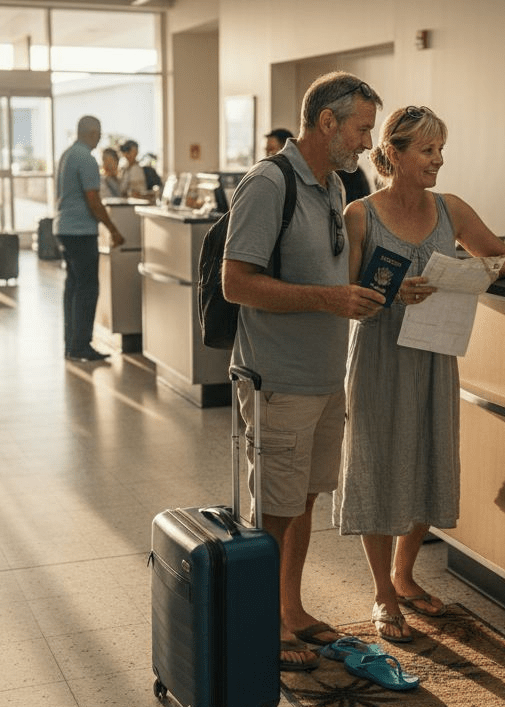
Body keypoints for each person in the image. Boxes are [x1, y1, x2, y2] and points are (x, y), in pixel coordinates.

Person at [334, 106, 505, 643]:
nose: (439, 161)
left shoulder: (451, 210)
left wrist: (463, 272)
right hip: (380, 357)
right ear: (394, 153)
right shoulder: (360, 215)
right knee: (376, 461)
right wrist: (393, 293)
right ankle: (382, 592)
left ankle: (405, 573)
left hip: (436, 355)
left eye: (441, 150)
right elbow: (348, 300)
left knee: (427, 455)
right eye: (428, 151)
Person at [222, 71, 385, 671]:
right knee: (273, 508)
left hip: (323, 375)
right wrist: (328, 300)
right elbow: (235, 282)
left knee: (304, 500)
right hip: (278, 379)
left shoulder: (332, 187)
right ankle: (263, 625)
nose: (368, 142)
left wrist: (376, 291)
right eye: (362, 128)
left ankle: (290, 611)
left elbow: (329, 275)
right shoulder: (269, 184)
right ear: (327, 122)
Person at [55, 115, 126, 362]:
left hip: (64, 228)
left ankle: (71, 343)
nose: (99, 138)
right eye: (99, 133)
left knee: (73, 287)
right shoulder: (85, 158)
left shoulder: (67, 154)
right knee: (87, 288)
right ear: (92, 133)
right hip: (80, 231)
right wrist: (113, 229)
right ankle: (81, 345)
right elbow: (93, 199)